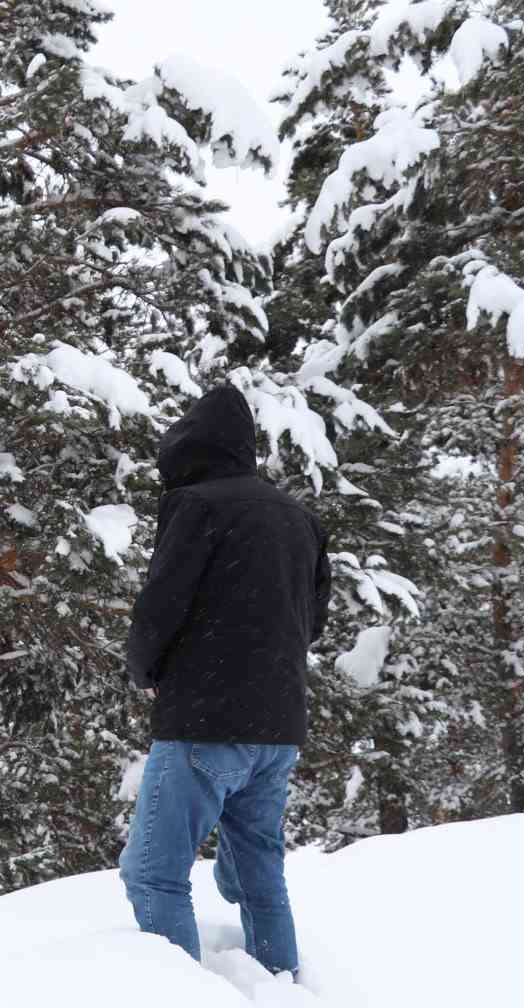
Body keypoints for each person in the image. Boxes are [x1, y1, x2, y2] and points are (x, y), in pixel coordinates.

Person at [119, 383, 330, 977]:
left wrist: (146, 671)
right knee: (261, 873)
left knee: (153, 874)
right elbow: (310, 620)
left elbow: (161, 606)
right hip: (279, 728)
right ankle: (285, 997)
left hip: (205, 722)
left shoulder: (198, 506)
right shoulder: (301, 519)